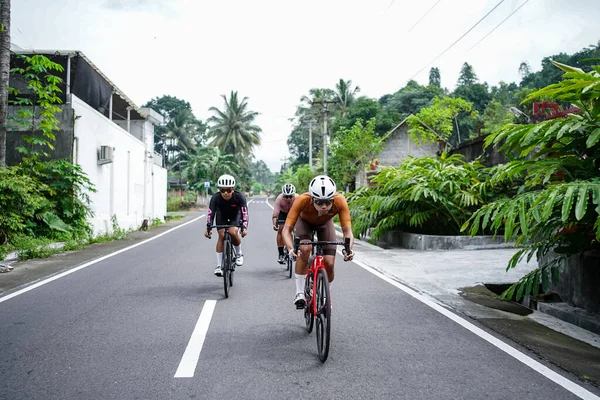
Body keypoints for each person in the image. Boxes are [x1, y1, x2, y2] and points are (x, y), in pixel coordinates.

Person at [282, 175, 354, 308]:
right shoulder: (302, 200)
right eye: (319, 202)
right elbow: (286, 230)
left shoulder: (340, 201)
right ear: (312, 199)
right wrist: (291, 248)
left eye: (328, 202)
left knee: (329, 262)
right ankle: (299, 293)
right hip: (304, 223)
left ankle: (327, 295)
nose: (324, 207)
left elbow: (347, 231)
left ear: (333, 199)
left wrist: (347, 249)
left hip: (325, 224)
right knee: (305, 249)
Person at [204, 174, 248, 277]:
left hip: (235, 215)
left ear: (233, 189)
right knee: (222, 235)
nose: (226, 193)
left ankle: (238, 254)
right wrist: (208, 228)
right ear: (219, 189)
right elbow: (211, 213)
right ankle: (219, 266)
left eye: (228, 190)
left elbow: (244, 213)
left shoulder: (239, 196)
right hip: (221, 215)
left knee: (233, 232)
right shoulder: (215, 198)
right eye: (222, 190)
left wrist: (244, 227)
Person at [272, 183, 298, 264]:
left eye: (290, 196)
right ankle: (281, 254)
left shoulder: (298, 198)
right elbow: (275, 214)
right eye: (286, 197)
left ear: (293, 195)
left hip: (294, 213)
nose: (288, 199)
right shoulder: (279, 199)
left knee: (298, 230)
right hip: (283, 214)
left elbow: (303, 212)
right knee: (281, 229)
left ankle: (297, 249)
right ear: (283, 196)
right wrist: (274, 224)